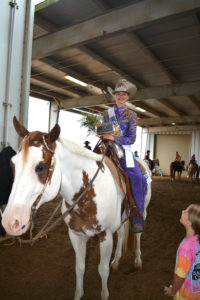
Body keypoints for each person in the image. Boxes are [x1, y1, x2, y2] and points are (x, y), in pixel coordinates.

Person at [96, 79, 150, 233]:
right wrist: (100, 130)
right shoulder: (107, 113)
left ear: (127, 97)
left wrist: (114, 138)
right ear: (114, 96)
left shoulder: (132, 115)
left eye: (123, 94)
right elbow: (105, 132)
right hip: (106, 147)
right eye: (118, 94)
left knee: (138, 178)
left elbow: (131, 138)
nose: (120, 96)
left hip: (123, 149)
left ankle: (136, 217)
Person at [164, 204, 200, 299]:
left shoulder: (186, 248)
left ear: (190, 222)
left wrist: (173, 291)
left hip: (187, 295)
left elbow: (180, 276)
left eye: (186, 212)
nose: (182, 211)